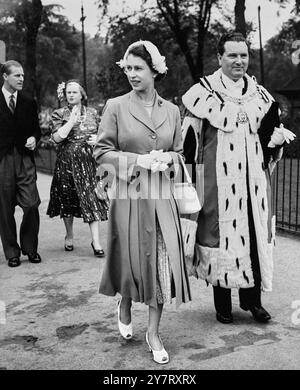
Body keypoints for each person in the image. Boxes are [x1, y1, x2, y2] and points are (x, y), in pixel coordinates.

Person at [181, 32, 295, 324]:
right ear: (220, 58)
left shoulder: (262, 97)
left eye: (243, 55)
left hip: (254, 184)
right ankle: (223, 305)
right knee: (220, 239)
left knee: (254, 238)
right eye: (232, 55)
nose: (239, 61)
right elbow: (189, 145)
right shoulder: (203, 94)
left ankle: (253, 302)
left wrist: (277, 141)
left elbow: (269, 143)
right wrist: (192, 184)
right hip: (217, 186)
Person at [93, 41, 191, 364]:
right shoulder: (115, 106)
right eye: (129, 68)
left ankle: (153, 332)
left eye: (139, 68)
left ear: (155, 71)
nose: (132, 74)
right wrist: (139, 161)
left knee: (161, 266)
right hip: (129, 199)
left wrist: (169, 161)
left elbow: (179, 153)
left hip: (162, 199)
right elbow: (102, 154)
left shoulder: (173, 111)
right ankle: (124, 301)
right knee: (130, 261)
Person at [46, 80, 109, 256]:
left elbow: (105, 135)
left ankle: (96, 242)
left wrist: (98, 140)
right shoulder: (59, 114)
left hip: (89, 164)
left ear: (82, 94)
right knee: (68, 199)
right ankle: (69, 234)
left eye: (74, 92)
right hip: (66, 163)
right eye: (68, 92)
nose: (71, 95)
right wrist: (71, 120)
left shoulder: (93, 113)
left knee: (92, 199)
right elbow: (57, 138)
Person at [0, 60, 42, 268]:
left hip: (25, 159)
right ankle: (12, 252)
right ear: (5, 77)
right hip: (3, 160)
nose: (21, 79)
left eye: (23, 75)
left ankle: (30, 248)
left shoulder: (28, 101)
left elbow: (37, 129)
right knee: (5, 208)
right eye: (17, 75)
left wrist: (35, 138)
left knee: (31, 203)